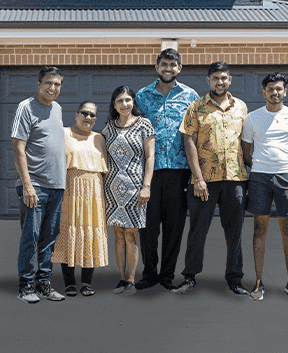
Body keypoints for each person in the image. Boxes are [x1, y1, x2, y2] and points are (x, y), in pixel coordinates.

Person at [172, 61, 250, 296]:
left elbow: (246, 143)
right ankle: (190, 277)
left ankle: (235, 279)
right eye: (215, 78)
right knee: (197, 230)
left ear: (230, 80)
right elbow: (189, 143)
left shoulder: (242, 108)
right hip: (203, 181)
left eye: (224, 78)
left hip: (235, 179)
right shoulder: (196, 107)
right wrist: (198, 178)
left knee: (235, 232)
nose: (220, 82)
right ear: (208, 80)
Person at [133, 48, 199, 291]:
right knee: (147, 226)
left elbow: (197, 133)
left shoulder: (190, 96)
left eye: (173, 65)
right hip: (149, 171)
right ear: (156, 67)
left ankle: (167, 274)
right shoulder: (142, 96)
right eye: (164, 64)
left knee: (174, 225)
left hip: (179, 170)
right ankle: (149, 273)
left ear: (179, 68)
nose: (168, 68)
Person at [241, 72, 288, 301]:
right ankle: (259, 282)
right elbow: (245, 153)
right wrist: (263, 166)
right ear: (264, 92)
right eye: (270, 89)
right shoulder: (252, 118)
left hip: (287, 177)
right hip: (259, 177)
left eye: (279, 88)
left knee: (287, 229)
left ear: (285, 91)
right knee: (259, 229)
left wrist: (284, 166)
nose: (275, 92)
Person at [12, 66, 68, 303]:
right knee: (31, 237)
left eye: (57, 84)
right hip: (35, 185)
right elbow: (18, 147)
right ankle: (25, 287)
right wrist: (27, 185)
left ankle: (44, 283)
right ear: (39, 83)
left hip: (56, 185)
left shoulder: (57, 108)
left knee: (49, 238)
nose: (52, 88)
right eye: (48, 83)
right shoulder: (25, 107)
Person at [52, 101, 109, 297]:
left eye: (93, 115)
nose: (88, 118)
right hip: (70, 189)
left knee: (90, 234)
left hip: (94, 192)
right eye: (84, 113)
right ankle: (69, 283)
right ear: (76, 114)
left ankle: (86, 283)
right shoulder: (64, 133)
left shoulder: (99, 138)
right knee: (69, 232)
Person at [102, 86, 156, 294]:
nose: (124, 104)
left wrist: (146, 186)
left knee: (132, 234)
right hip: (113, 188)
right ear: (114, 105)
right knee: (117, 234)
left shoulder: (144, 125)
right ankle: (121, 278)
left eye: (127, 100)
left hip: (135, 188)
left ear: (133, 101)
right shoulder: (109, 127)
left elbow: (150, 156)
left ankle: (132, 280)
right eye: (119, 101)